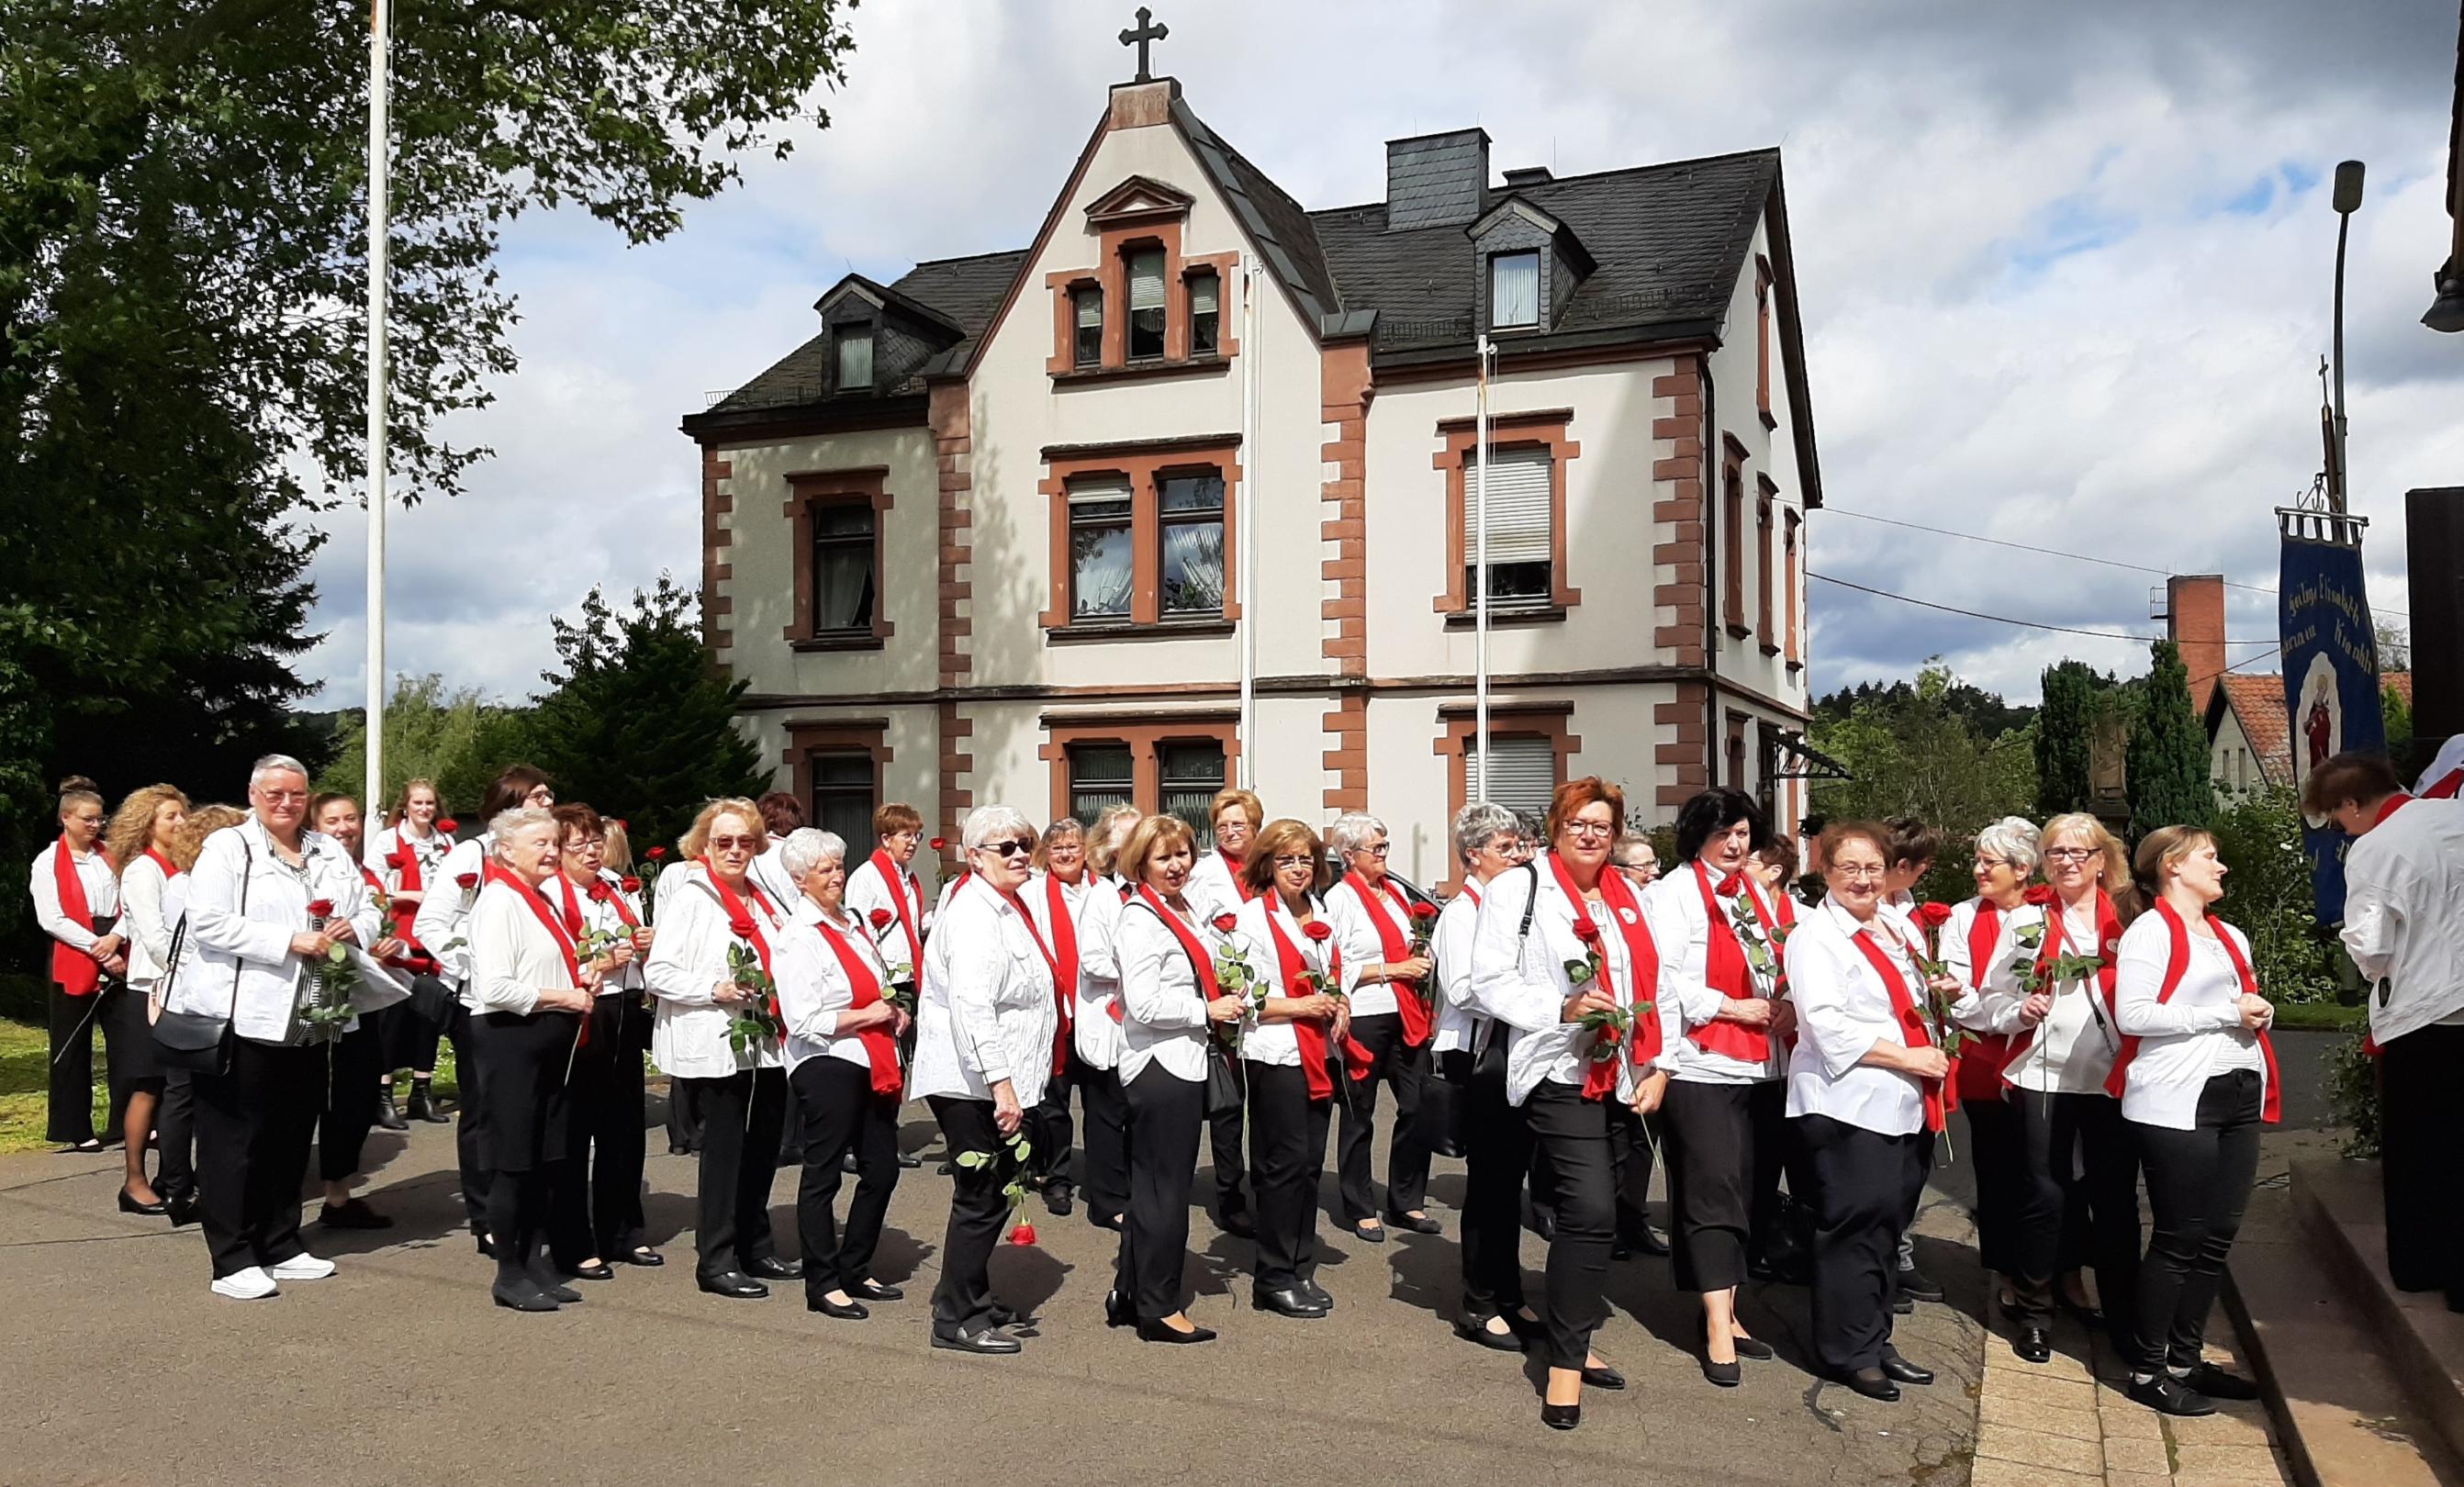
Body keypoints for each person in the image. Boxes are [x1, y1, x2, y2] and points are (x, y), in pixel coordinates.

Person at [1465, 777, 1664, 1429]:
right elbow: (1490, 978)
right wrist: (1560, 1007)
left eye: (1602, 826)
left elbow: (1660, 984)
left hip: (1622, 1072)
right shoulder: (1515, 888)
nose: (1589, 834)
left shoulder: (1630, 898)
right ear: (1556, 827)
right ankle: (1565, 1364)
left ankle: (1570, 1332)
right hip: (1556, 1067)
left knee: (1595, 1215)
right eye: (1578, 822)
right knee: (1589, 1209)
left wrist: (1658, 1063)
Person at [169, 755, 404, 1300]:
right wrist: (287, 940)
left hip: (312, 1013)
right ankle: (231, 1257)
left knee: (292, 1132)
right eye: (274, 793)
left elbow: (371, 907)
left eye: (296, 795)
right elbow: (208, 922)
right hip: (243, 1014)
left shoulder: (326, 849)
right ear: (253, 795)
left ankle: (281, 1240)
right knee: (235, 1138)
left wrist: (356, 926)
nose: (286, 803)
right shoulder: (229, 848)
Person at [1783, 820, 1961, 1402]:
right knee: (1852, 1229)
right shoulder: (1816, 937)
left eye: (1873, 868)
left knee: (1885, 1230)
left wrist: (1942, 997)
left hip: (1902, 1102)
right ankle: (1847, 1351)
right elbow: (1827, 1026)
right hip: (1846, 1103)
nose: (1863, 879)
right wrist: (1908, 1055)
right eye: (1849, 868)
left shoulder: (1895, 928)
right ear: (1826, 874)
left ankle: (1874, 1337)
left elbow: (1904, 1000)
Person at [2111, 825, 2278, 1416]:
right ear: (2173, 866)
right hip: (2176, 1097)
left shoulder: (2229, 935)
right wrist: (2222, 1012)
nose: (2222, 867)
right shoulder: (2150, 933)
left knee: (2217, 1235)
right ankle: (2147, 1368)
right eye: (2211, 856)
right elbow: (2133, 1015)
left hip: (2237, 1089)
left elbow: (2240, 1003)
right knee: (2180, 1236)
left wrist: (2257, 1012)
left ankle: (2184, 1359)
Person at [2308, 752, 2464, 1307]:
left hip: (2426, 1010)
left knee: (2423, 1147)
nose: (2340, 828)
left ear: (2352, 802)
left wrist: (2375, 968)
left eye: (2336, 817)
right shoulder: (2453, 815)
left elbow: (2371, 944)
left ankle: (2424, 1265)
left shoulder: (2377, 846)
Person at [1644, 788, 1788, 1386]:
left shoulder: (1753, 893)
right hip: (1700, 1061)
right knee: (1711, 1189)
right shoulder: (1672, 894)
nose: (1736, 843)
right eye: (1723, 833)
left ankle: (1730, 1308)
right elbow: (1665, 979)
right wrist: (1733, 1006)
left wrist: (1783, 1004)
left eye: (1744, 833)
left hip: (1763, 1062)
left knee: (1751, 1191)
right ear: (1697, 837)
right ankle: (1715, 1324)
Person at [911, 804, 1060, 1355]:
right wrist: (1002, 1086)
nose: (1021, 854)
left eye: (1025, 844)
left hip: (998, 1077)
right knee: (979, 1197)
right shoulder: (974, 914)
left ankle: (967, 1292)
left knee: (992, 1195)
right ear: (974, 857)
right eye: (1007, 847)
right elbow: (973, 1008)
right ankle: (957, 1318)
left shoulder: (1005, 905)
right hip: (971, 1081)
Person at [1998, 811, 2139, 1357]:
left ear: (2101, 862)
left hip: (2110, 1078)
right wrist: (2019, 1009)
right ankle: (2035, 1312)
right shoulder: (2026, 921)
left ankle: (2126, 1318)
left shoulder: (2128, 919)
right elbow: (1988, 1002)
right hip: (2044, 1074)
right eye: (2056, 852)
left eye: (2078, 853)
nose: (2066, 862)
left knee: (2115, 1199)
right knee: (2044, 1195)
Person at [645, 798, 798, 1301]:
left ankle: (755, 1244)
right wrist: (716, 988)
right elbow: (658, 972)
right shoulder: (692, 896)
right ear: (704, 846)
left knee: (763, 1150)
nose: (734, 850)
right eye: (723, 842)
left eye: (744, 842)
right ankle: (717, 1259)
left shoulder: (764, 895)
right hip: (718, 1042)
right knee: (726, 1153)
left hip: (766, 1043)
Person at [1110, 812, 1243, 1345]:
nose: (1177, 865)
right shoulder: (1140, 918)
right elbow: (1142, 1004)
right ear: (1140, 862)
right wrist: (1206, 1009)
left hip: (1179, 1060)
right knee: (1165, 1190)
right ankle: (1160, 1307)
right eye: (1163, 857)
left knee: (1152, 1188)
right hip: (1161, 1064)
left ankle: (1129, 1291)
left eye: (1183, 854)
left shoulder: (1182, 908)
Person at [413, 766, 556, 1251]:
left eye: (548, 795)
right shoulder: (470, 856)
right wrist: (472, 962)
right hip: (481, 1000)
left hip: (537, 1003)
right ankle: (485, 1214)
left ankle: (527, 1209)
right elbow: (431, 922)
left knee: (529, 1110)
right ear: (510, 804)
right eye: (537, 796)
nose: (547, 802)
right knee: (483, 1110)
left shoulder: (545, 859)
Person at [775, 826, 909, 1320]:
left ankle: (854, 1264)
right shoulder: (798, 937)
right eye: (825, 869)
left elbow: (876, 986)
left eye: (838, 865)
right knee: (824, 1172)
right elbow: (802, 1019)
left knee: (882, 1167)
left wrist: (893, 1011)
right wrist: (869, 1015)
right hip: (825, 1061)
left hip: (870, 1057)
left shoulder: (851, 924)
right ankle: (823, 1281)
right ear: (799, 879)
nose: (836, 875)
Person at [1227, 818, 1351, 1320]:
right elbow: (1246, 997)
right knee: (1281, 1166)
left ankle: (1299, 1263)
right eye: (1286, 860)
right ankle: (1274, 1276)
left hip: (1319, 1052)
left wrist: (1339, 1003)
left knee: (1307, 1166)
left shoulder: (1319, 911)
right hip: (1276, 1053)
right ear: (1267, 866)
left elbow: (1333, 978)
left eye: (1305, 859)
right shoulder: (1252, 919)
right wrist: (1306, 1008)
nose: (1298, 868)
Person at [1936, 816, 2042, 1358]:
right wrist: (2006, 1015)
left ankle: (2053, 1270)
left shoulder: (2047, 917)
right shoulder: (1960, 917)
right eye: (1976, 860)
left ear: (2021, 870)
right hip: (1983, 1057)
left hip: (2042, 1057)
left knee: (2043, 1172)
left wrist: (2013, 1014)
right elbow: (1962, 996)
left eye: (1988, 862)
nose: (1977, 870)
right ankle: (2006, 1269)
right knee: (1998, 1169)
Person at [547, 804, 657, 1273]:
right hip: (580, 1012)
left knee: (624, 1130)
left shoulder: (615, 889)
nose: (591, 852)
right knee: (574, 1133)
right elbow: (548, 962)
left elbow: (639, 952)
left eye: (596, 841)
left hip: (624, 1012)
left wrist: (648, 946)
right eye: (579, 844)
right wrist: (601, 964)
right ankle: (573, 1239)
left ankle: (622, 1230)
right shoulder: (551, 893)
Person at [1324, 811, 1438, 1243]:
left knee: (1417, 1106)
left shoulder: (1394, 894)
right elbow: (1340, 963)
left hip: (1407, 1010)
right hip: (1367, 1013)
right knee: (1360, 1112)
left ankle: (1407, 1198)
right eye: (1378, 848)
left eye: (1386, 845)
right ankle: (1359, 1204)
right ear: (1350, 856)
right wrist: (1395, 968)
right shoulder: (1340, 900)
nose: (1385, 854)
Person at [305, 793, 402, 1230]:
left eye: (351, 818)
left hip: (355, 999)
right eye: (333, 820)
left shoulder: (363, 873)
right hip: (307, 1002)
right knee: (304, 1101)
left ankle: (338, 1197)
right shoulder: (301, 866)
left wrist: (362, 932)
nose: (344, 827)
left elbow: (372, 918)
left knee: (354, 1100)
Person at [1023, 818, 1125, 1222]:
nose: (1065, 854)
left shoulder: (1108, 892)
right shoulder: (1031, 893)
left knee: (1105, 1105)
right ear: (1046, 853)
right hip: (1055, 1011)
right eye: (1057, 847)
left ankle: (1107, 1189)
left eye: (1073, 846)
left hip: (1099, 1011)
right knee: (1054, 1104)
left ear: (1086, 850)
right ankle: (1057, 1177)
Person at [153, 804, 247, 1226]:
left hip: (181, 1000)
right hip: (203, 1001)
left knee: (180, 1097)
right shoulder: (200, 887)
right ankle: (193, 1186)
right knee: (200, 1100)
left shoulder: (177, 883)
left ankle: (177, 1186)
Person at [30, 777, 129, 1153]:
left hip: (116, 940)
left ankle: (127, 1120)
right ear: (66, 819)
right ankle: (74, 1125)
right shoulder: (47, 862)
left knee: (126, 1040)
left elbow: (129, 901)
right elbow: (51, 918)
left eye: (99, 819)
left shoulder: (112, 857)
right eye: (88, 819)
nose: (95, 825)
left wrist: (116, 937)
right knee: (71, 1045)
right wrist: (99, 948)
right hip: (75, 946)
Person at [102, 783, 187, 1212]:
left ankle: (174, 1175)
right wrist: (187, 966)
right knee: (149, 1088)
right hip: (150, 990)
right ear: (148, 824)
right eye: (170, 816)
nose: (180, 822)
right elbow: (154, 938)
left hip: (179, 990)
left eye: (181, 814)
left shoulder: (181, 866)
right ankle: (134, 1181)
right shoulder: (142, 870)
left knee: (177, 1091)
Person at [1181, 787, 1261, 1236]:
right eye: (1223, 825)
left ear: (1255, 828)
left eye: (1239, 825)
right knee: (1229, 1105)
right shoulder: (1202, 874)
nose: (1230, 832)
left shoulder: (1267, 869)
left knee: (1267, 1102)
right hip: (1224, 996)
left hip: (1266, 1001)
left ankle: (1266, 1187)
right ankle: (1230, 1197)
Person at [1876, 816, 1946, 1308]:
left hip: (1920, 1046)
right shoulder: (1865, 911)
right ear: (1903, 866)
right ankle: (1882, 1263)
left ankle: (1896, 1258)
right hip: (1886, 1053)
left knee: (1912, 1166)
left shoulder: (1905, 905)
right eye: (1921, 868)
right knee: (1885, 1171)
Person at [1068, 804, 1143, 1231]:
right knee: (1105, 1114)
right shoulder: (1101, 895)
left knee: (1136, 1112)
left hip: (1143, 1026)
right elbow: (1094, 961)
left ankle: (1132, 1189)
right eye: (1128, 838)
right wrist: (1144, 975)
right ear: (1110, 847)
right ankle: (1106, 1200)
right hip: (1108, 1020)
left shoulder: (1149, 893)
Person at [365, 777, 453, 1125]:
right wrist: (414, 896)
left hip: (433, 940)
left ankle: (422, 1091)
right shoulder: (388, 840)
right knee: (393, 1019)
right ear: (405, 805)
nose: (424, 809)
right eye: (418, 803)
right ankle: (383, 1095)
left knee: (428, 1017)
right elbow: (372, 887)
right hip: (399, 938)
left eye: (429, 803)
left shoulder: (445, 842)